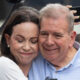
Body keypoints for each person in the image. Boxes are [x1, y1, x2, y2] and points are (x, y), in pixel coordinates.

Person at [29, 3, 80, 80]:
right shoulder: (28, 57)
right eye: (44, 34)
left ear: (71, 37)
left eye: (57, 35)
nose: (49, 42)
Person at [0, 6, 40, 80]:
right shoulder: (3, 64)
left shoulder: (43, 69)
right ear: (8, 39)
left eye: (34, 41)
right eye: (20, 40)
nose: (26, 47)